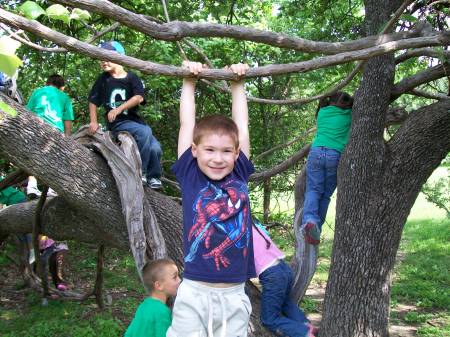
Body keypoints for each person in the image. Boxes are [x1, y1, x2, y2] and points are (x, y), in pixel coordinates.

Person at [166, 61, 255, 337]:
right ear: (194, 150)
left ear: (237, 152)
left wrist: (237, 86)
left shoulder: (239, 171)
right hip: (194, 291)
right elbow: (186, 124)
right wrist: (189, 82)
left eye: (227, 151)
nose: (218, 158)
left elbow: (242, 125)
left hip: (235, 293)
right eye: (209, 150)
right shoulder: (191, 174)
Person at [88, 41, 163, 189]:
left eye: (107, 56)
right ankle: (138, 172)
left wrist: (119, 108)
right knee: (145, 131)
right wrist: (93, 122)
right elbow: (93, 101)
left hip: (135, 122)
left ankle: (153, 177)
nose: (103, 61)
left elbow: (139, 97)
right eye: (101, 57)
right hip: (118, 123)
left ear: (120, 58)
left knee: (155, 148)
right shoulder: (104, 79)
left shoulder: (132, 78)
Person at [302, 92, 354, 245]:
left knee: (313, 189)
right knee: (325, 195)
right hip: (334, 155)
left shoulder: (322, 112)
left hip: (316, 152)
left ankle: (310, 220)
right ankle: (316, 227)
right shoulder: (349, 115)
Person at [252, 219, 317, 337]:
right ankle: (306, 325)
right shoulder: (254, 225)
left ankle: (304, 332)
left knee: (269, 320)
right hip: (283, 268)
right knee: (284, 302)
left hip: (272, 274)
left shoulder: (237, 232)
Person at [26, 74, 74, 197]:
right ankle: (52, 188)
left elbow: (27, 111)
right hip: (54, 130)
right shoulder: (65, 97)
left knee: (33, 155)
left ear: (47, 83)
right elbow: (67, 120)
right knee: (54, 159)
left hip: (36, 125)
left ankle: (31, 185)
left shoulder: (38, 92)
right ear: (62, 87)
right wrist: (67, 138)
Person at [125, 258, 180, 337]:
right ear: (159, 285)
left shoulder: (144, 305)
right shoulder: (161, 312)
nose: (179, 280)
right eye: (175, 277)